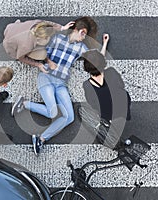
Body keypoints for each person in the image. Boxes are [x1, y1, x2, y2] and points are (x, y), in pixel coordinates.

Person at [12, 17, 98, 155]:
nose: (83, 38)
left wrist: (104, 44)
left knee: (69, 117)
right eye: (82, 33)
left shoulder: (81, 48)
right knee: (53, 113)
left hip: (61, 84)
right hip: (46, 77)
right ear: (76, 30)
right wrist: (48, 61)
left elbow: (96, 58)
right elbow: (39, 50)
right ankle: (25, 104)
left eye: (85, 35)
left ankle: (41, 139)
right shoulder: (57, 38)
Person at [81, 34, 131, 149]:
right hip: (121, 106)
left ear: (87, 69)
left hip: (106, 112)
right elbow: (121, 85)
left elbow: (92, 103)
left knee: (110, 122)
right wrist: (104, 44)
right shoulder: (111, 73)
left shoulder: (87, 85)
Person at [3, 19, 74, 73]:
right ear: (38, 39)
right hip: (10, 45)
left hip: (11, 28)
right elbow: (21, 58)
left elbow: (49, 24)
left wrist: (62, 28)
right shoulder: (26, 45)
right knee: (42, 54)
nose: (49, 39)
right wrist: (38, 64)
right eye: (47, 38)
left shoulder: (39, 24)